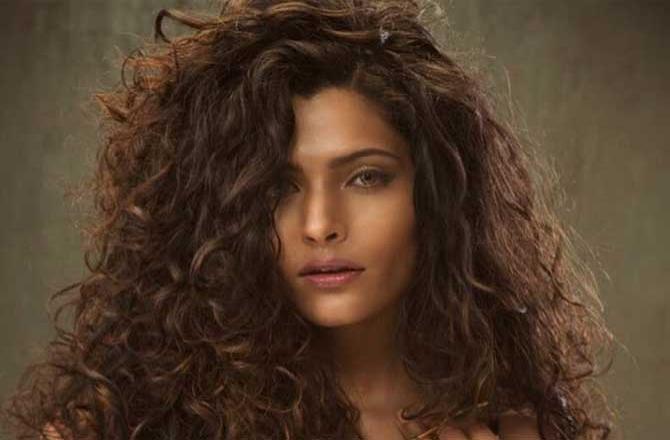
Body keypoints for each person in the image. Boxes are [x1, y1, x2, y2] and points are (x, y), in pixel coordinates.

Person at [1, 0, 616, 439]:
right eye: (278, 187)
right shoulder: (117, 427)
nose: (320, 224)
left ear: (437, 195)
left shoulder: (516, 427)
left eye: (366, 177)